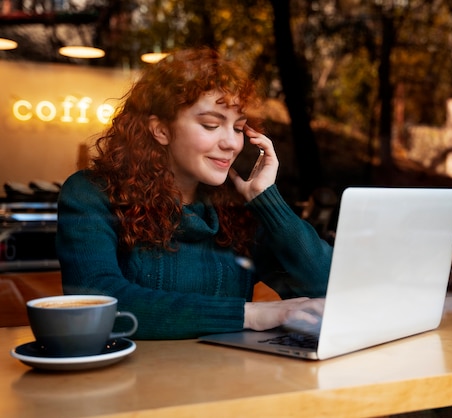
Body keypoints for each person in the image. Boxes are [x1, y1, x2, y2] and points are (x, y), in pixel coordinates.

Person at [55, 47, 331, 340]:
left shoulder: (236, 210)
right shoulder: (91, 194)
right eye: (211, 125)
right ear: (160, 130)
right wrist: (250, 314)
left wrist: (267, 200)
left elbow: (326, 287)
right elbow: (98, 304)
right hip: (131, 380)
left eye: (238, 128)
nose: (232, 144)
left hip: (229, 379)